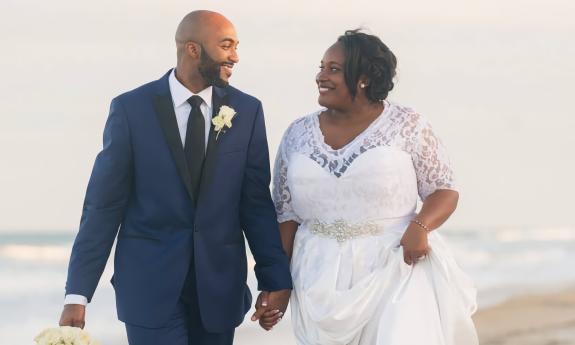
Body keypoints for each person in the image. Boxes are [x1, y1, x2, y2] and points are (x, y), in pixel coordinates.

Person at [58, 10, 291, 345]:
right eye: (226, 45)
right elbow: (102, 207)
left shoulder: (247, 111)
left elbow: (255, 203)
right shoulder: (131, 109)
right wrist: (77, 295)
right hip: (148, 289)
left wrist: (273, 279)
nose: (235, 56)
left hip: (218, 288)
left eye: (236, 46)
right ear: (193, 49)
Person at [263, 30, 478, 344]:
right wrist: (277, 285)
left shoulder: (407, 124)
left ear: (363, 78)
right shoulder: (297, 133)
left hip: (395, 265)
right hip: (316, 274)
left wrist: (420, 226)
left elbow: (444, 189)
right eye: (321, 67)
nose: (321, 76)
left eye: (333, 69)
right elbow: (286, 216)